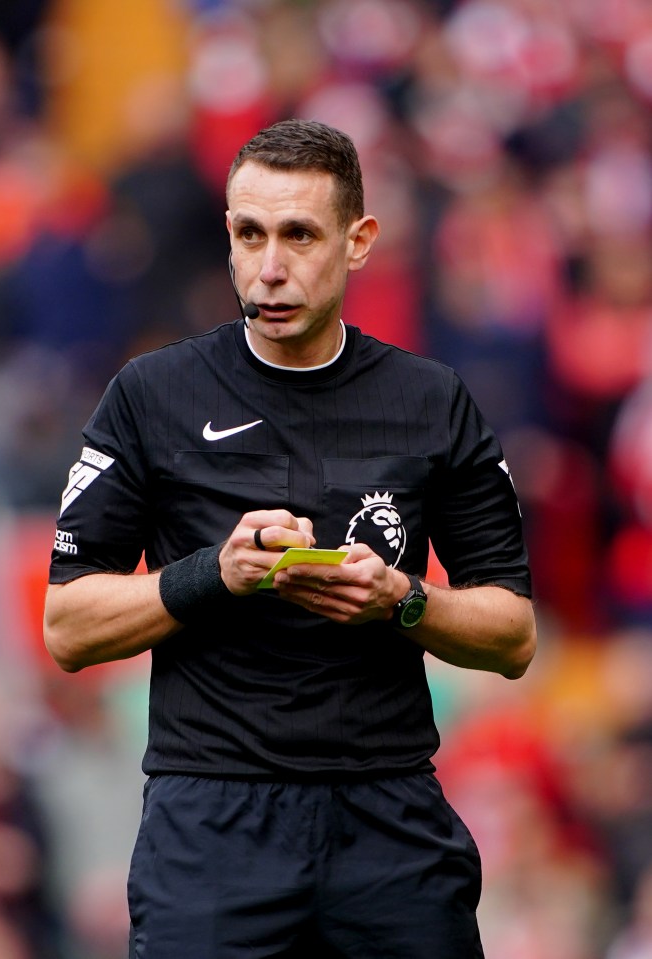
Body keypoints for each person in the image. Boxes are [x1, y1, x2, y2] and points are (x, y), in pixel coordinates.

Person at [43, 118, 537, 959]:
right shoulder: (150, 395)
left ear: (358, 241)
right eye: (249, 234)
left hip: (387, 817)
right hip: (210, 821)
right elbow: (67, 627)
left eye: (298, 234)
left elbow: (513, 636)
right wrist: (214, 574)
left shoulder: (431, 400)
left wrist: (402, 600)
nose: (268, 266)